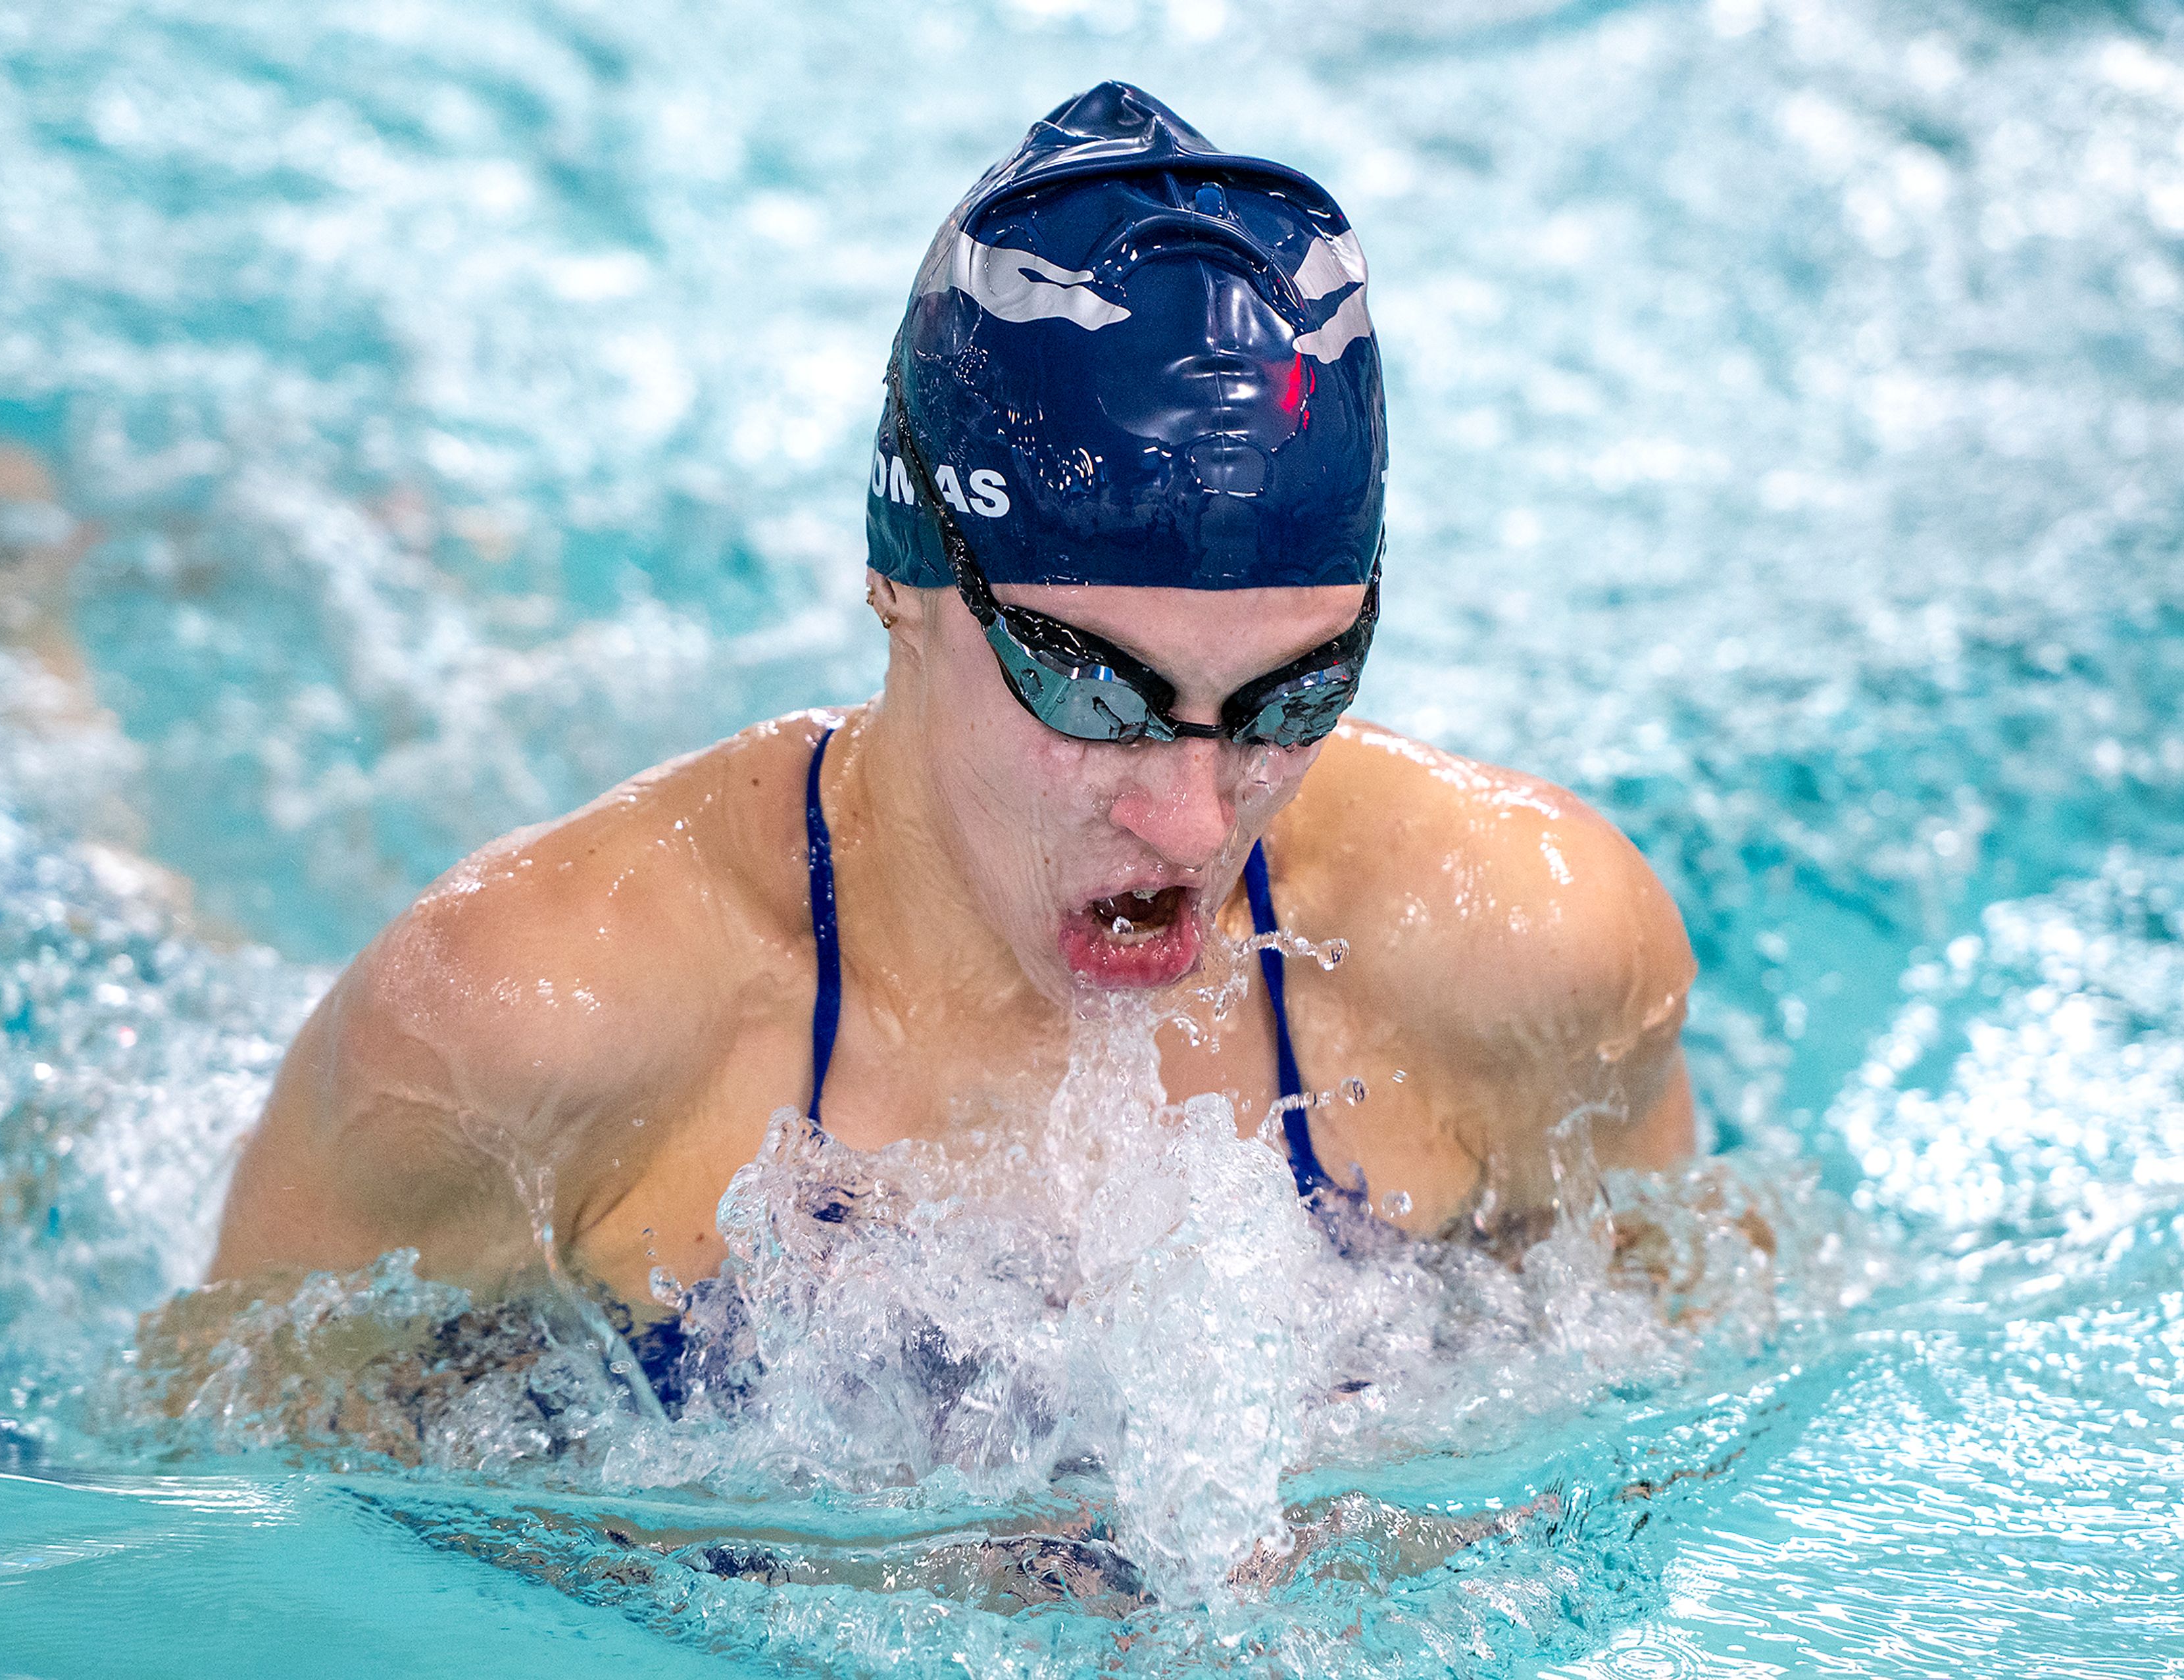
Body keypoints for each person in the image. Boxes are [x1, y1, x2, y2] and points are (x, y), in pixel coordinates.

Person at [208, 84, 1697, 1365]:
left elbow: (1685, 1364)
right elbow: (227, 1495)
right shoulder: (522, 1030)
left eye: (1288, 698)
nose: (1193, 816)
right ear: (901, 586)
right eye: (1090, 688)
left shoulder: (1528, 953)